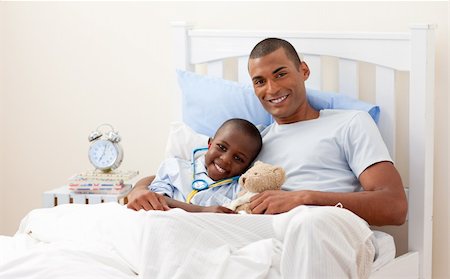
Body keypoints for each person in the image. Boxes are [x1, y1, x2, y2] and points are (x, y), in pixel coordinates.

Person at [127, 38, 407, 278]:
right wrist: (140, 189)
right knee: (162, 226)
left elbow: (394, 206)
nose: (271, 89)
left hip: (324, 221)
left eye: (280, 74)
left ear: (304, 71)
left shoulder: (350, 123)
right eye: (260, 81)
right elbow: (182, 169)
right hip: (259, 227)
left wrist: (303, 198)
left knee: (308, 224)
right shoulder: (251, 142)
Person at [127, 118, 262, 213]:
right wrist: (202, 210)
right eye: (221, 147)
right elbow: (157, 200)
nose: (226, 159)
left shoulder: (238, 190)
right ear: (209, 144)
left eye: (238, 158)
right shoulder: (173, 167)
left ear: (246, 167)